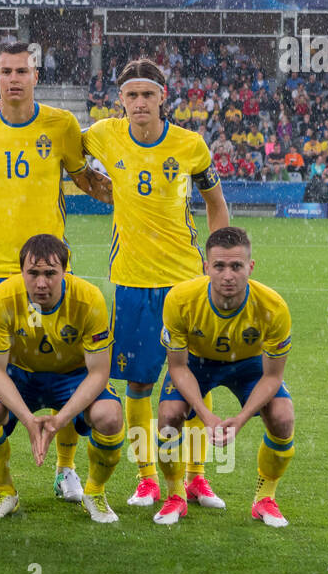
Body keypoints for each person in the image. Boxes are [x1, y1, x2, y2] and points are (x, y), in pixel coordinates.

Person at [0, 41, 109, 506]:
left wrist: (129, 199)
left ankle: (67, 469)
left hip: (51, 267)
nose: (14, 78)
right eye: (6, 70)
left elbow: (82, 177)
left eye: (22, 71)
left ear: (37, 75)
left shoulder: (61, 124)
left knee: (67, 363)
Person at [82, 57, 230, 510]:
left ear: (163, 97)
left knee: (195, 382)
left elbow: (215, 202)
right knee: (140, 385)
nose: (140, 102)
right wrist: (102, 189)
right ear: (120, 100)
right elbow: (55, 141)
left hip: (186, 281)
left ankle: (197, 478)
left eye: (148, 94)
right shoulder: (104, 135)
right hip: (131, 280)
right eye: (132, 95)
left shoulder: (190, 145)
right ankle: (147, 477)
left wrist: (220, 258)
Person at [0, 234, 122, 522]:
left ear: (65, 272)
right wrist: (29, 420)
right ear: (21, 272)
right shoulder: (2, 297)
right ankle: (5, 492)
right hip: (21, 375)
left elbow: (100, 372)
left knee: (110, 416)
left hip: (73, 376)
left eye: (50, 273)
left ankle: (95, 492)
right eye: (33, 273)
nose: (41, 283)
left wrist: (59, 420)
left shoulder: (89, 299)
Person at [153, 226, 295, 528]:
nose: (228, 275)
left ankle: (264, 498)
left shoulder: (274, 308)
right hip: (197, 363)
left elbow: (272, 376)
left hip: (249, 365)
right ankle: (176, 494)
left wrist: (241, 418)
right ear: (206, 267)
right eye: (219, 266)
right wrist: (205, 415)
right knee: (168, 416)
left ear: (250, 268)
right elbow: (177, 367)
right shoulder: (179, 300)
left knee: (283, 417)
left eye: (236, 266)